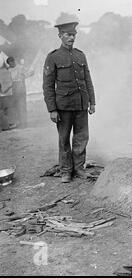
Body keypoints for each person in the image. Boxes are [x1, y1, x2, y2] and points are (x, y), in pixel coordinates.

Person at [43, 20, 96, 183]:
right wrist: (52, 109)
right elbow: (48, 85)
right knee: (64, 139)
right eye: (68, 34)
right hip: (63, 106)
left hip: (81, 104)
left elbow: (88, 79)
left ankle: (79, 169)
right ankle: (66, 171)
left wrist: (92, 102)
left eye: (73, 35)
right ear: (60, 36)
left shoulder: (80, 55)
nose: (71, 37)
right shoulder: (53, 57)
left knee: (81, 137)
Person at [6, 57, 34, 128]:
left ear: (14, 61)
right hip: (14, 89)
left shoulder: (20, 67)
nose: (12, 63)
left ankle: (24, 123)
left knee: (22, 106)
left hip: (21, 87)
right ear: (8, 63)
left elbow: (28, 73)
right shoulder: (8, 70)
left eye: (12, 61)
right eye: (10, 63)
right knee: (16, 106)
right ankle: (18, 122)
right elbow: (8, 80)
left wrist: (29, 73)